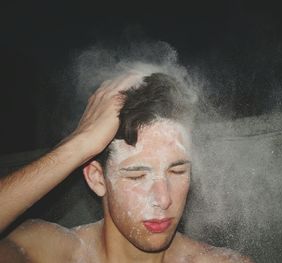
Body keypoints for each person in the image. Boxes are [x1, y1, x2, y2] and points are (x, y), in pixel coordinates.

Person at [0, 71, 253, 263]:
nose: (163, 199)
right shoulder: (52, 252)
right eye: (138, 176)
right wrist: (79, 144)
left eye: (177, 171)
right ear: (97, 178)